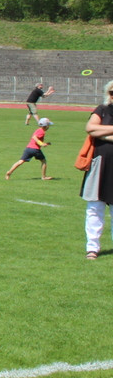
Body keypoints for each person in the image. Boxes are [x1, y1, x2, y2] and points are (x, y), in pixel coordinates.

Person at [82, 80, 113, 259]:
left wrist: (103, 133)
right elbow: (90, 128)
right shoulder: (101, 109)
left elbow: (96, 130)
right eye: (111, 92)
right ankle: (92, 247)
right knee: (95, 206)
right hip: (100, 164)